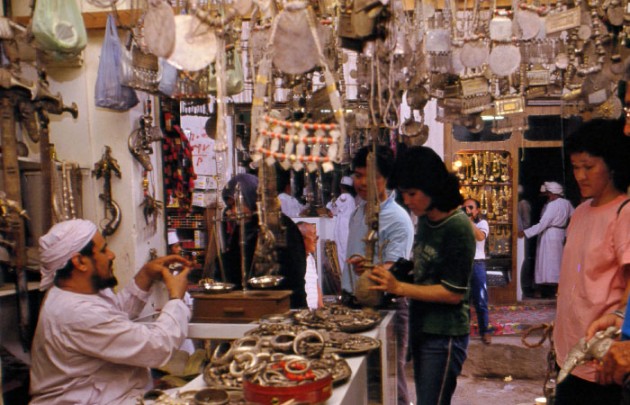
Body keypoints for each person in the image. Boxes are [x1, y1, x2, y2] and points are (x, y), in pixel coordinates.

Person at [30, 219, 192, 405]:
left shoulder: (75, 294)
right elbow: (156, 348)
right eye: (103, 250)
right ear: (80, 262)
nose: (112, 255)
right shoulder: (77, 313)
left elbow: (113, 317)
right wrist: (176, 298)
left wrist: (145, 275)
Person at [369, 146, 475, 405]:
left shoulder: (458, 227)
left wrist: (399, 288)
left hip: (444, 334)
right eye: (404, 194)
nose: (406, 201)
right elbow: (424, 268)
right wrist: (391, 272)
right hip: (424, 327)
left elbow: (452, 293)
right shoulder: (427, 219)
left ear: (432, 187)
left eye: (412, 194)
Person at [552, 119, 630, 405]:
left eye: (588, 166)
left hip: (600, 361)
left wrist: (620, 317)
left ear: (610, 165)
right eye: (575, 167)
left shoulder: (624, 213)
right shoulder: (581, 212)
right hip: (568, 353)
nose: (580, 175)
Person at [341, 145, 414, 405]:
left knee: (389, 378)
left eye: (369, 176)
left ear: (386, 179)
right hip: (352, 304)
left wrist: (370, 270)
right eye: (357, 175)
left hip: (385, 308)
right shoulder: (359, 211)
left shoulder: (397, 219)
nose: (361, 182)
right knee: (359, 378)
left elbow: (394, 269)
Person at [220, 173, 308, 308]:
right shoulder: (240, 230)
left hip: (284, 304)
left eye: (236, 205)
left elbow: (294, 272)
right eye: (230, 206)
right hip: (250, 305)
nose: (231, 212)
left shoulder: (281, 226)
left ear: (252, 199)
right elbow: (230, 266)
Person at [518, 181, 574, 298]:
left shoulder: (553, 205)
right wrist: (567, 233)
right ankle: (555, 289)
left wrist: (526, 232)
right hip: (560, 234)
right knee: (557, 262)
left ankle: (544, 289)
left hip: (549, 235)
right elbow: (573, 218)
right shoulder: (567, 203)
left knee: (547, 263)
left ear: (553, 193)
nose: (548, 197)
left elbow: (543, 223)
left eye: (548, 194)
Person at [463, 198, 492, 345]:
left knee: (481, 300)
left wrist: (468, 221)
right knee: (463, 300)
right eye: (465, 207)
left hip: (477, 264)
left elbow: (480, 236)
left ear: (477, 210)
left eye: (470, 207)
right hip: (463, 264)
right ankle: (464, 331)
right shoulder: (460, 223)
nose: (467, 210)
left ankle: (484, 331)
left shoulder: (482, 223)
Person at [326, 175, 356, 267]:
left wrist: (329, 208)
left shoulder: (344, 196)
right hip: (347, 226)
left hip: (343, 228)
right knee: (345, 251)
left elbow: (333, 210)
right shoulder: (351, 198)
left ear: (341, 187)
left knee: (342, 252)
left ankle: (343, 275)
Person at [296, 221, 324, 309]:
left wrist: (321, 306)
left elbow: (315, 284)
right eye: (313, 235)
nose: (317, 238)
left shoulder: (310, 258)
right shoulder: (293, 261)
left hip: (313, 314)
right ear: (301, 238)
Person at [517, 185, 536, 298]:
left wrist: (523, 231)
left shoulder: (523, 203)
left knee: (524, 259)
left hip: (522, 235)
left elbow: (526, 221)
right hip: (520, 235)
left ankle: (526, 285)